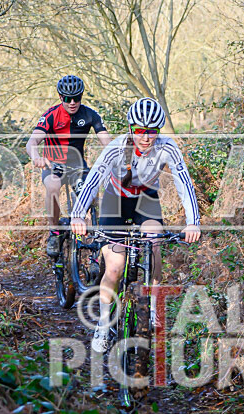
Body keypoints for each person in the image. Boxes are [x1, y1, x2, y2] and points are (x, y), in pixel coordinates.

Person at [70, 97, 201, 353]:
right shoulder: (117, 148)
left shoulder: (168, 147)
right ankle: (104, 323)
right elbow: (95, 178)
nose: (146, 137)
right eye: (140, 131)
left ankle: (153, 308)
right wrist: (78, 215)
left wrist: (192, 222)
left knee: (155, 243)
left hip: (146, 199)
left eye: (151, 131)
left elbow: (183, 182)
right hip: (115, 199)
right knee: (115, 266)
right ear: (131, 129)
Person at [25, 75, 111, 256]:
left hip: (78, 167)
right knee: (53, 186)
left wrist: (117, 157)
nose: (72, 102)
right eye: (67, 98)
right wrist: (36, 157)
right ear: (60, 97)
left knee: (91, 196)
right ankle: (54, 232)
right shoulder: (51, 115)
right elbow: (32, 142)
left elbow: (106, 141)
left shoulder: (90, 115)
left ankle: (92, 236)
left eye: (77, 98)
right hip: (53, 164)